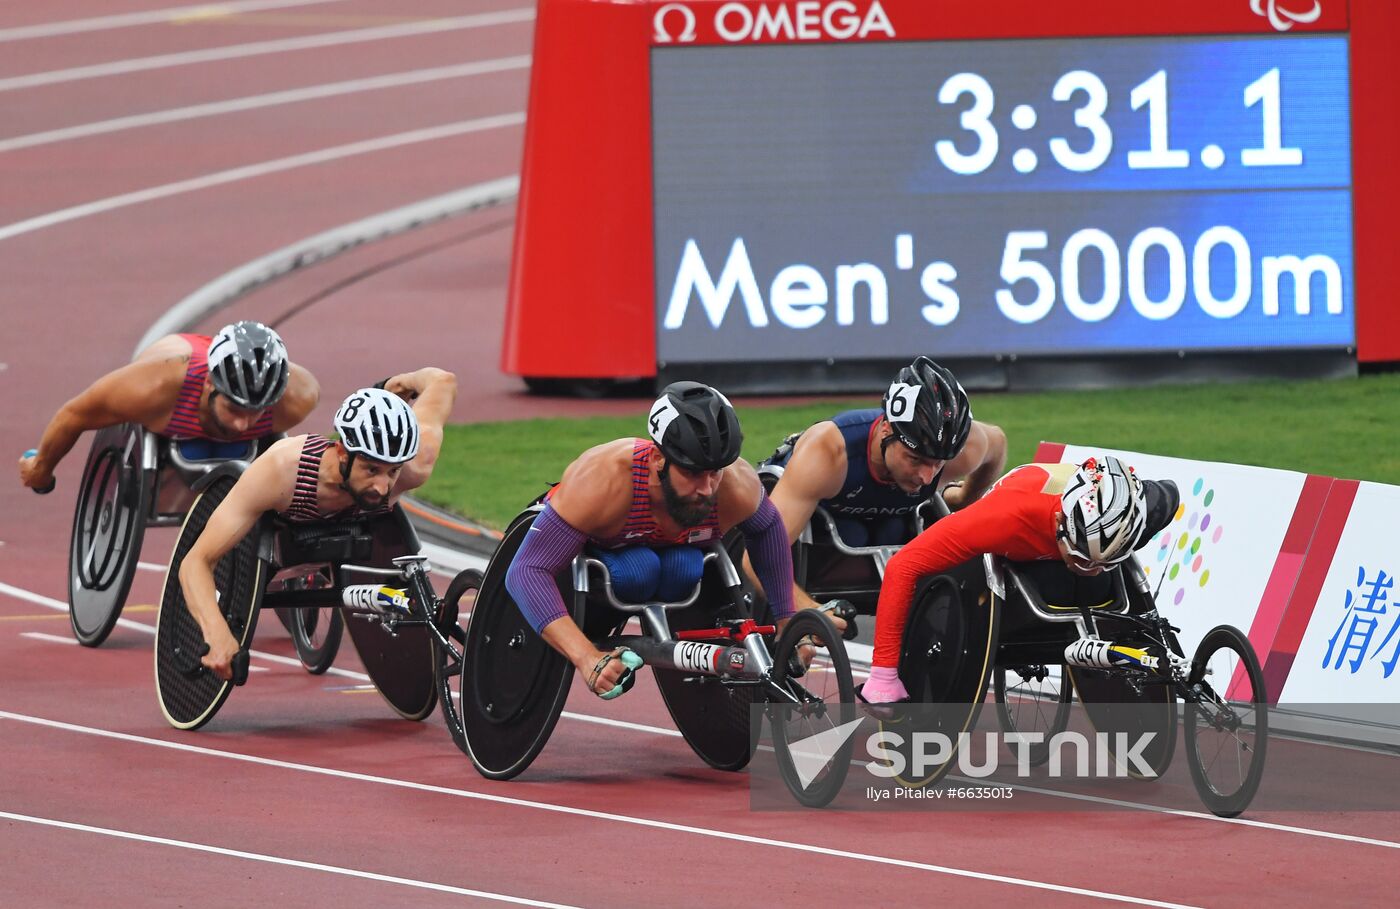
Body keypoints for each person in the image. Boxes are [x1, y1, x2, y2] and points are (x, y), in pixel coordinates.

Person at [504, 381, 797, 699]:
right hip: (597, 570)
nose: (707, 488)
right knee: (638, 571)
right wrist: (586, 657)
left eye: (715, 472)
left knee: (683, 569)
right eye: (692, 473)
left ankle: (804, 743)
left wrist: (788, 620)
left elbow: (768, 530)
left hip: (675, 568)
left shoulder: (737, 486)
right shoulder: (604, 480)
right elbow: (527, 570)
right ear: (659, 459)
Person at [178, 368, 457, 680]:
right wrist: (216, 634)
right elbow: (196, 562)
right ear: (341, 451)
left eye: (391, 472)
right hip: (278, 533)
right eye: (370, 469)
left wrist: (399, 385)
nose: (381, 486)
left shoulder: (414, 465)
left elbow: (443, 381)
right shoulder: (280, 470)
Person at [858, 454, 1178, 704]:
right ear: (1060, 522)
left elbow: (1171, 492)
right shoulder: (1002, 518)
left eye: (1103, 562)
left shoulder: (1146, 512)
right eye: (1080, 557)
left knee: (1100, 582)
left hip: (1097, 514)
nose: (1089, 567)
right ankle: (954, 494)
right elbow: (903, 566)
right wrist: (884, 674)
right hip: (1020, 520)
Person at [753, 356, 1006, 615]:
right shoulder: (828, 454)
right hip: (822, 534)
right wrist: (807, 611)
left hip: (890, 523)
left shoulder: (964, 448)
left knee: (891, 531)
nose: (927, 478)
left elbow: (997, 443)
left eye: (938, 463)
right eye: (915, 459)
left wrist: (966, 498)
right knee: (854, 534)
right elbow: (758, 556)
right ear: (886, 430)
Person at [19, 321, 318, 492]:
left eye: (257, 412)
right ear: (210, 384)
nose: (243, 425)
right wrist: (41, 470)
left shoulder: (297, 400)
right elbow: (73, 415)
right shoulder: (151, 388)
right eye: (235, 409)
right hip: (178, 364)